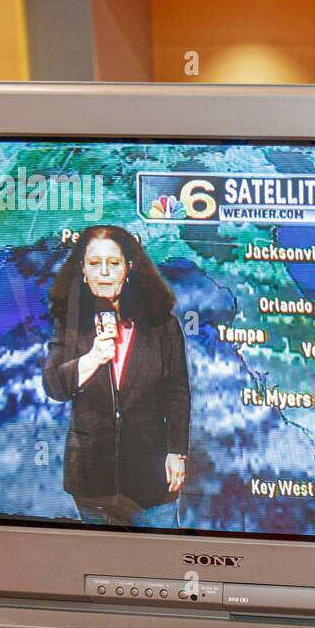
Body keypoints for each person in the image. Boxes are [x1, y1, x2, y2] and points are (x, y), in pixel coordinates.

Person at [43, 225, 190, 528]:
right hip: (92, 482)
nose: (105, 272)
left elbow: (177, 393)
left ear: (129, 269)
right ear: (83, 271)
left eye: (114, 263)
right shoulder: (70, 325)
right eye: (95, 264)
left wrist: (177, 452)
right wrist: (95, 357)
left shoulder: (164, 326)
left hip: (151, 479)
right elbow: (55, 386)